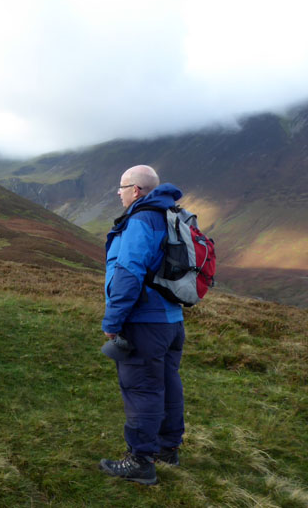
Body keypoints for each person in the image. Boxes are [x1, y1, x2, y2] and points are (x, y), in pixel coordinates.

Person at [98, 165, 186, 486]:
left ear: (135, 190)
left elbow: (129, 272)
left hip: (144, 322)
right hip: (172, 321)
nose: (118, 193)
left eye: (121, 187)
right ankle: (167, 449)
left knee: (141, 388)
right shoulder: (171, 215)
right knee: (167, 383)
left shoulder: (140, 220)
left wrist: (113, 320)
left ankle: (139, 461)